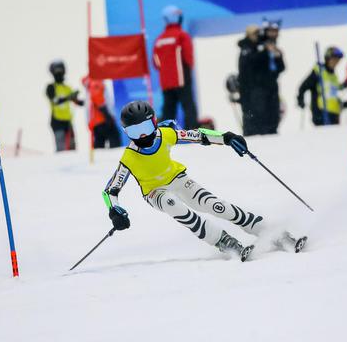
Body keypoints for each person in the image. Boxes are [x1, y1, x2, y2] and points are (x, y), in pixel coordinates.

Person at [102, 101, 307, 262]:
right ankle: (224, 241)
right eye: (135, 132)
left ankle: (274, 234)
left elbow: (199, 136)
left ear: (154, 122)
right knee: (173, 205)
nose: (143, 135)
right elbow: (110, 191)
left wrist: (226, 138)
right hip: (155, 192)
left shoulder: (166, 135)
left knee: (216, 205)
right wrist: (115, 211)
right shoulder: (129, 157)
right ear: (126, 133)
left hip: (178, 179)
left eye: (146, 127)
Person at [152, 5, 198, 129]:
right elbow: (188, 57)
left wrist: (166, 71)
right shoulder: (182, 36)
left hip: (166, 83)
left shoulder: (159, 40)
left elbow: (155, 62)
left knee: (168, 110)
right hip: (182, 80)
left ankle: (166, 135)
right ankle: (192, 133)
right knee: (188, 107)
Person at [245, 18, 285, 135]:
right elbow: (252, 63)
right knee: (261, 118)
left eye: (275, 31)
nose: (273, 34)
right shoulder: (258, 45)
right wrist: (265, 51)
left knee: (273, 118)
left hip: (272, 87)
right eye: (271, 31)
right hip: (259, 89)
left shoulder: (273, 46)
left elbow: (281, 68)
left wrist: (278, 56)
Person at [297, 46, 347, 126]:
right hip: (320, 112)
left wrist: (342, 104)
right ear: (328, 59)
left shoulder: (334, 76)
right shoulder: (318, 72)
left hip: (334, 113)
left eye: (338, 60)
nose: (336, 62)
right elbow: (303, 87)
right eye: (334, 59)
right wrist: (300, 100)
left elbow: (332, 94)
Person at [45, 60, 84, 151]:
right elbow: (55, 101)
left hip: (68, 123)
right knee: (61, 148)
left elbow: (78, 102)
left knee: (72, 148)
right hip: (57, 121)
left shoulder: (67, 88)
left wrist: (82, 98)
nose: (59, 74)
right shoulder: (51, 87)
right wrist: (69, 97)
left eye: (61, 71)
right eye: (57, 71)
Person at [82, 76, 121, 149]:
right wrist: (107, 115)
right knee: (115, 140)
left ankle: (97, 155)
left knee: (99, 144)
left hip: (96, 121)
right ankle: (115, 156)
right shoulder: (96, 80)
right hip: (102, 119)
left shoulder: (91, 82)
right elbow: (97, 97)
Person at [236, 25, 260, 135]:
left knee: (255, 114)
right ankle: (249, 135)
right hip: (247, 88)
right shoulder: (246, 48)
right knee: (249, 114)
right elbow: (245, 70)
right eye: (255, 34)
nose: (257, 36)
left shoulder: (254, 47)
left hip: (253, 88)